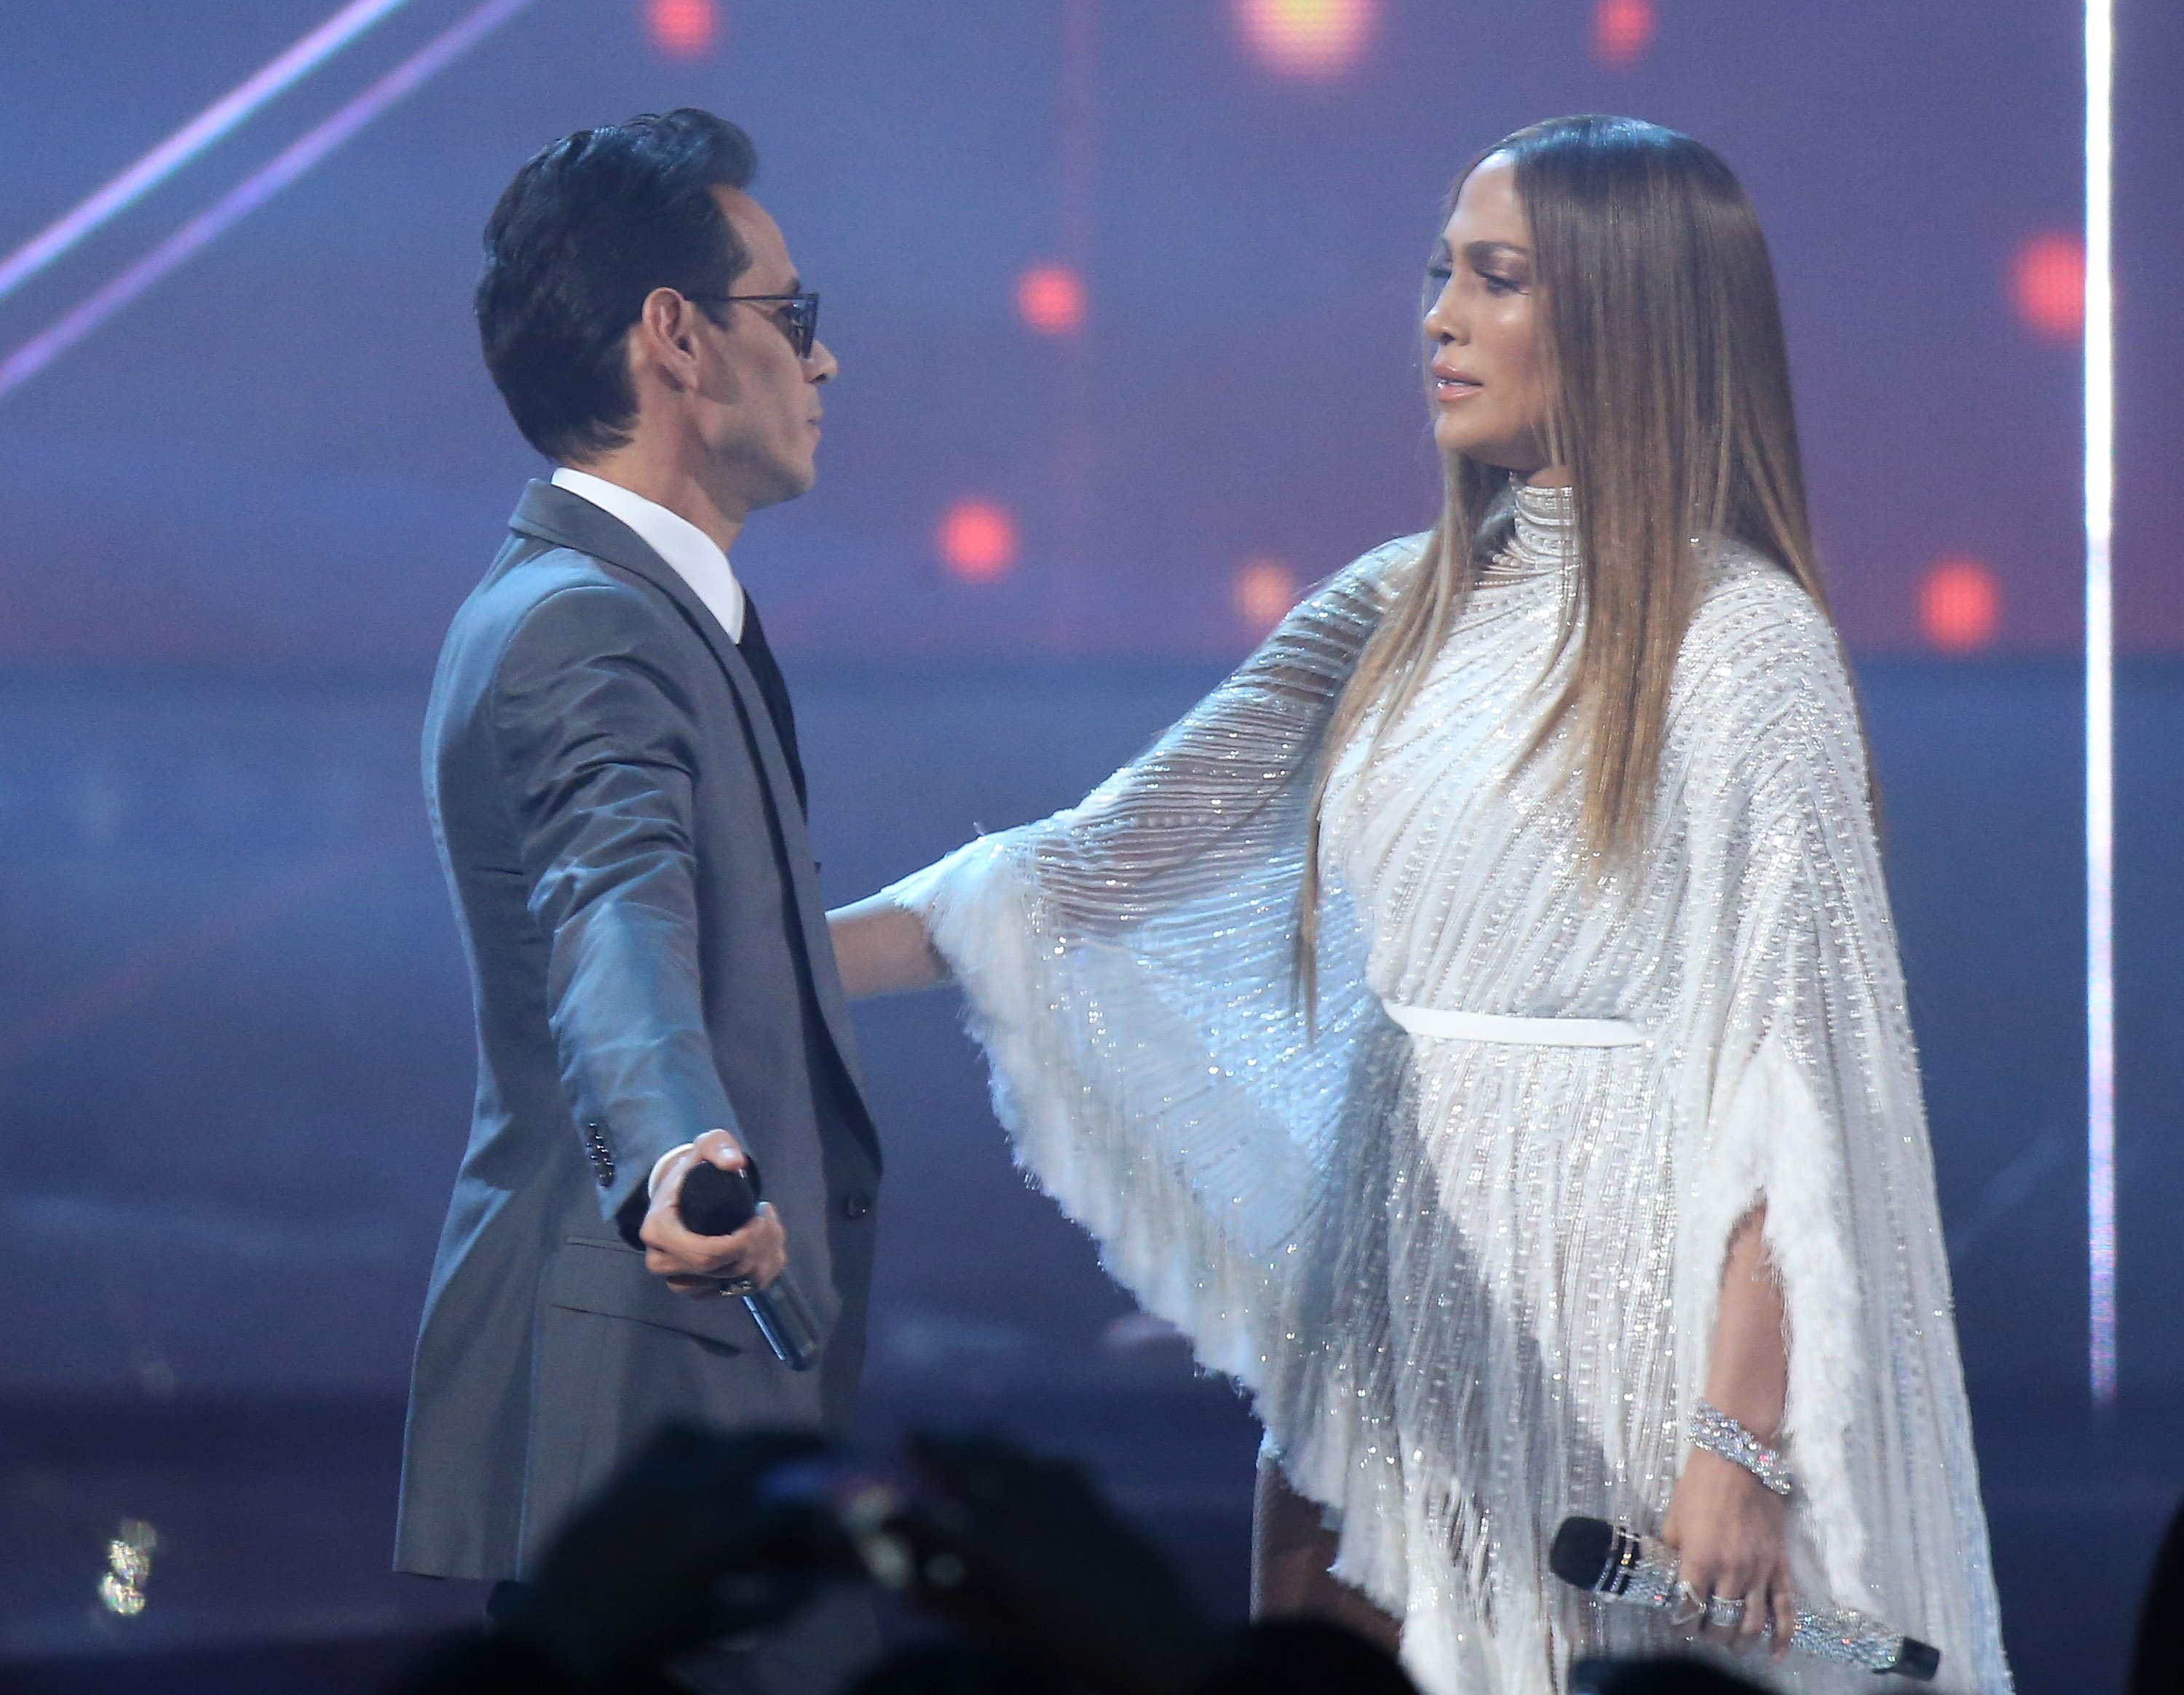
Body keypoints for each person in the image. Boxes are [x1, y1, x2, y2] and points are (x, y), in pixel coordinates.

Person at [827, 116, 2010, 1694]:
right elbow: (1081, 865)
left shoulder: (1745, 646)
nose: (1440, 316)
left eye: (1498, 278)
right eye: (1440, 271)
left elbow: (1800, 1079)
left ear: (1629, 313)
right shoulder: (1396, 604)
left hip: (1626, 1346)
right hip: (1383, 1318)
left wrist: (1740, 1444)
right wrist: (747, 961)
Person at [395, 108, 882, 1695]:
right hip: (654, 1419)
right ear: (674, 336)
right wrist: (679, 1147)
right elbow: (612, 910)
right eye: (792, 317)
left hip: (671, 1427)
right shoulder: (587, 631)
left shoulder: (613, 607)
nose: (823, 365)